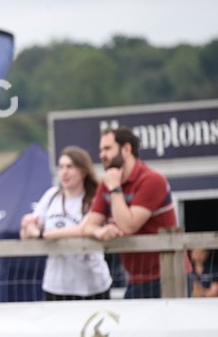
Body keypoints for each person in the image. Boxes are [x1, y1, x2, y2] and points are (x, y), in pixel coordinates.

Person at [81, 127, 177, 298]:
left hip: (169, 277)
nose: (102, 155)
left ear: (126, 149)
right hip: (136, 278)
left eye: (107, 149)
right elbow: (88, 225)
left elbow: (128, 225)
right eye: (101, 150)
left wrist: (115, 189)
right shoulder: (107, 184)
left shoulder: (152, 180)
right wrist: (101, 231)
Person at [19, 146, 112, 300]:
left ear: (83, 171)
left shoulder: (94, 199)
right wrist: (27, 226)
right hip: (56, 285)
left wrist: (43, 234)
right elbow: (27, 232)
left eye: (70, 167)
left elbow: (82, 230)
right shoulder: (51, 196)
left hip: (90, 285)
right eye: (61, 167)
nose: (64, 172)